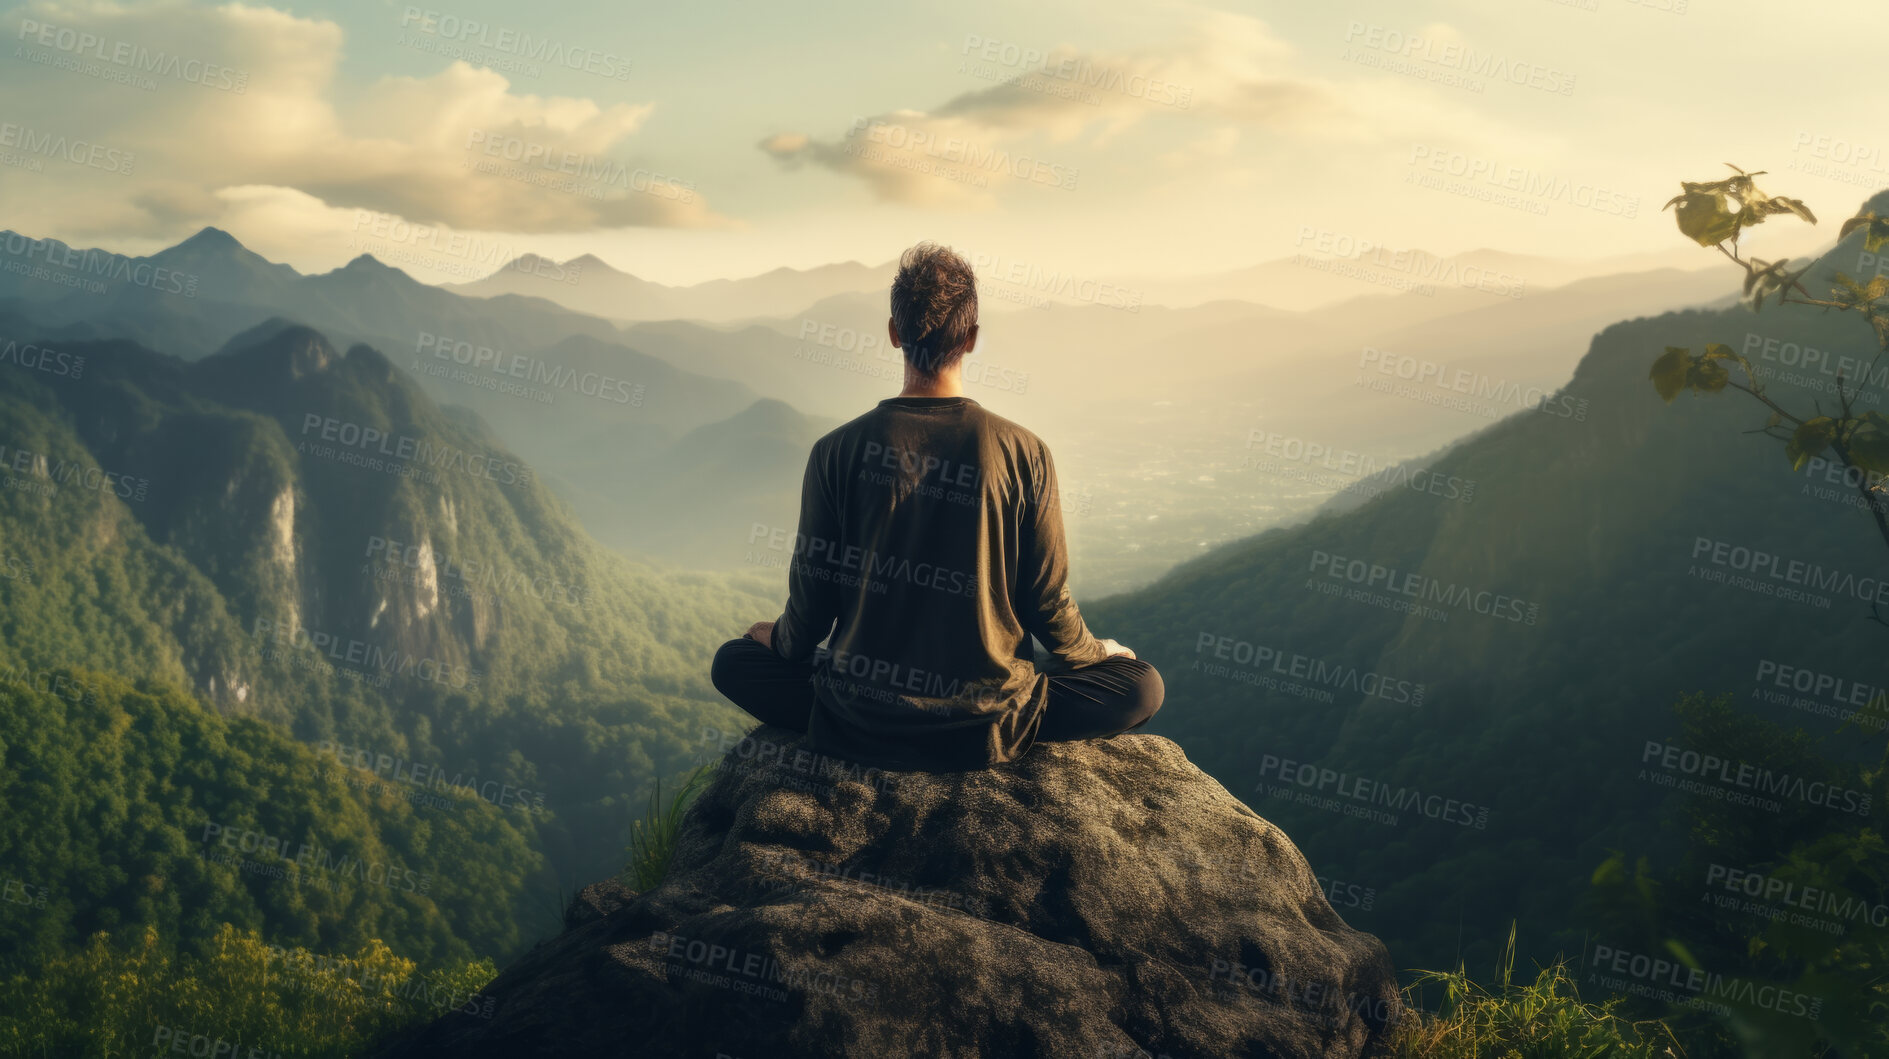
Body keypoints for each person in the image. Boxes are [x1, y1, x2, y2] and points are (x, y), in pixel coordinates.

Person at [710, 242, 1162, 771]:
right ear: (971, 338)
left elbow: (812, 604)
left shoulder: (836, 451)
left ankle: (871, 723)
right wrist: (1095, 654)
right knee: (1141, 684)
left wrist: (780, 641)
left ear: (894, 333)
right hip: (992, 719)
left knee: (734, 661)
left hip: (860, 717)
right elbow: (1047, 602)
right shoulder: (1025, 451)